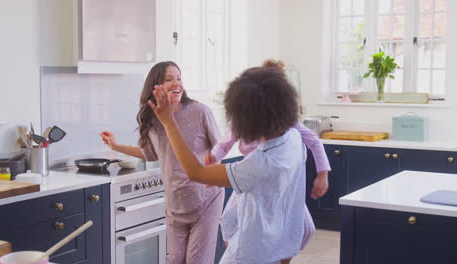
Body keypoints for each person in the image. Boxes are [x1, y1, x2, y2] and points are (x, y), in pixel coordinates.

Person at [148, 63, 308, 264]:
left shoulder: (259, 164)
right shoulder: (293, 140)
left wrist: (169, 122)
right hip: (273, 250)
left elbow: (195, 172)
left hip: (247, 256)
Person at [207, 60, 330, 264]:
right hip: (250, 179)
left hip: (282, 186)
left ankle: (280, 258)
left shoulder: (287, 122)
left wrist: (322, 174)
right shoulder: (244, 120)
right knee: (229, 221)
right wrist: (214, 159)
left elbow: (314, 142)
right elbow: (224, 143)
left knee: (306, 229)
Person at [100, 61, 224, 264]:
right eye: (169, 79)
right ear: (155, 87)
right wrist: (115, 146)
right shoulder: (152, 118)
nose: (177, 83)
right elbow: (150, 153)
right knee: (175, 260)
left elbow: (220, 149)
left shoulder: (200, 112)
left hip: (206, 201)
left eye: (179, 78)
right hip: (175, 204)